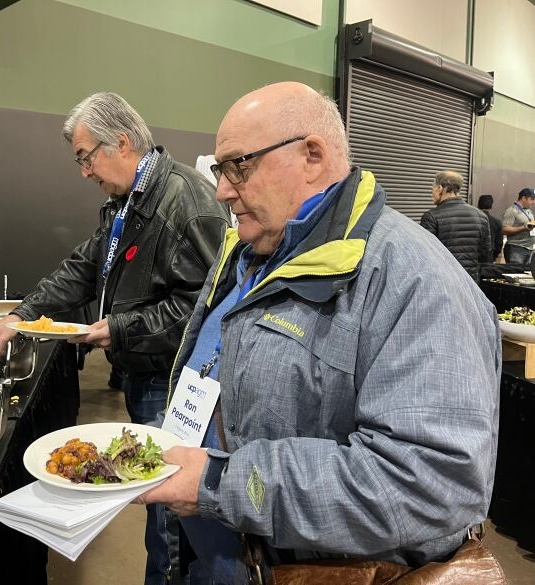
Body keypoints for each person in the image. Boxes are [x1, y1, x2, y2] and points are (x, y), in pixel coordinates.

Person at [141, 82, 500, 584]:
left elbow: (431, 483)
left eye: (238, 165)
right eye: (219, 169)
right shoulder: (251, 252)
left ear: (312, 155)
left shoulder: (415, 280)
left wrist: (220, 482)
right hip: (213, 553)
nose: (222, 189)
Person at [0, 91, 230, 585]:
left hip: (173, 381)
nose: (84, 172)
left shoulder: (188, 203)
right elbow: (83, 268)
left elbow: (206, 307)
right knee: (153, 501)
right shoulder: (125, 202)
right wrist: (19, 317)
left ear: (123, 142)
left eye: (86, 158)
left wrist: (122, 327)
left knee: (170, 514)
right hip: (143, 371)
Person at [418, 171, 491, 282]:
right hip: (471, 282)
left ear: (440, 188)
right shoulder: (481, 216)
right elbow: (485, 255)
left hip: (443, 282)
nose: (432, 193)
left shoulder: (431, 217)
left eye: (433, 188)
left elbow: (425, 255)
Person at [501, 188, 535, 265]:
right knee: (516, 273)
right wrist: (524, 228)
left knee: (526, 275)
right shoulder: (512, 210)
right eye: (532, 199)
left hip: (529, 248)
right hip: (516, 248)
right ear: (523, 198)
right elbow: (504, 230)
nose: (533, 202)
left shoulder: (529, 211)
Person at [478, 194, 503, 261]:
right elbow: (499, 243)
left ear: (478, 204)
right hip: (488, 256)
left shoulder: (472, 219)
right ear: (491, 206)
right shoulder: (496, 222)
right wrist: (493, 256)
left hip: (473, 255)